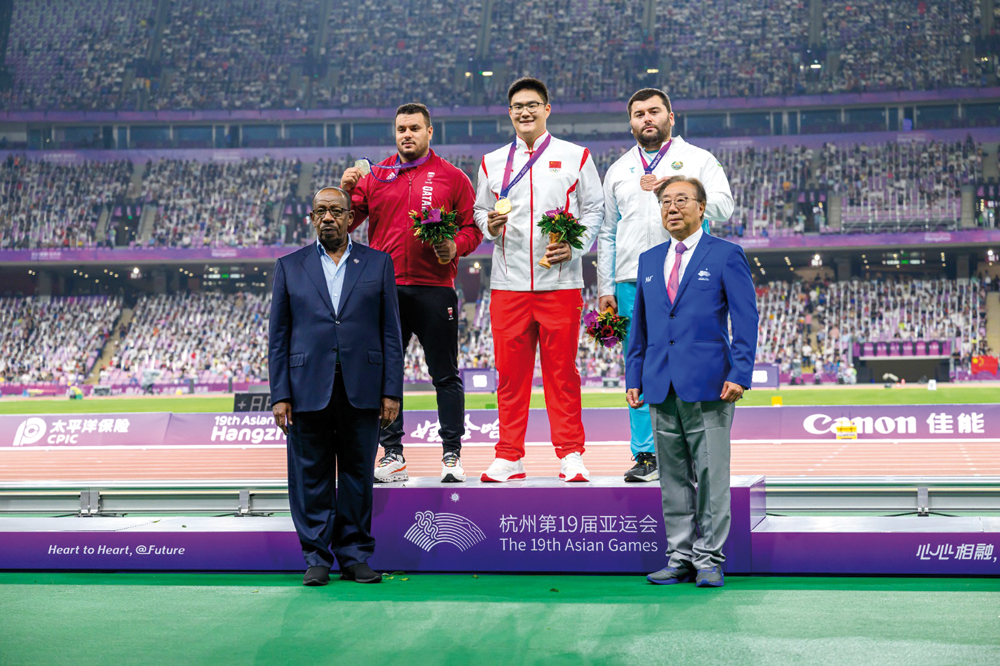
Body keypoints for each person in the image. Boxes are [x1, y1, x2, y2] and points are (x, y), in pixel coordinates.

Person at [625, 176, 758, 588]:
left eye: (682, 200)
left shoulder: (726, 255)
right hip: (660, 384)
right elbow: (641, 328)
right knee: (673, 479)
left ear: (703, 208)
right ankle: (679, 555)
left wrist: (739, 372)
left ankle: (709, 558)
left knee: (712, 476)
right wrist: (634, 373)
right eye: (665, 201)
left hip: (710, 385)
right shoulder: (648, 260)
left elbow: (746, 318)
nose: (672, 207)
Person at [269, 186, 404, 586]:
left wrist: (391, 390)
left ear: (350, 218)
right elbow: (278, 337)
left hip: (362, 389)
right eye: (320, 211)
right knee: (310, 478)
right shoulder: (288, 266)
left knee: (358, 477)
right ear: (311, 218)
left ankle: (355, 555)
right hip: (306, 388)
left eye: (336, 211)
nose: (328, 217)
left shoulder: (378, 264)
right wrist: (280, 394)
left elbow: (391, 333)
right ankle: (315, 557)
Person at [341, 102, 482, 484]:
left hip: (436, 289)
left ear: (429, 131)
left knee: (445, 375)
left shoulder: (453, 178)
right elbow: (344, 224)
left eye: (414, 128)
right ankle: (392, 454)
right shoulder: (377, 175)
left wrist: (455, 245)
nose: (407, 134)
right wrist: (345, 191)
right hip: (384, 290)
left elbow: (473, 229)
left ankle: (452, 455)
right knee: (386, 374)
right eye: (401, 128)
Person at [598, 88, 734, 483]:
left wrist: (679, 185)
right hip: (629, 280)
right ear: (631, 123)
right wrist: (605, 285)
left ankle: (691, 450)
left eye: (654, 111)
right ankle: (645, 455)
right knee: (637, 364)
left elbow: (724, 208)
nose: (647, 119)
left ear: (671, 116)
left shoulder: (699, 159)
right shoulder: (619, 169)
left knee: (689, 360)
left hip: (686, 275)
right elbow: (607, 232)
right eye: (638, 113)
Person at [473, 77, 604, 483]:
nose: (524, 111)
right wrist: (490, 225)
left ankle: (570, 455)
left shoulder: (575, 155)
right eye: (517, 106)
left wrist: (576, 246)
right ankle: (509, 455)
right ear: (509, 113)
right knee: (511, 377)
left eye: (532, 104)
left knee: (562, 373)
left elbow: (595, 210)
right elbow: (479, 212)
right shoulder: (491, 162)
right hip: (508, 286)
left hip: (560, 284)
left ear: (547, 109)